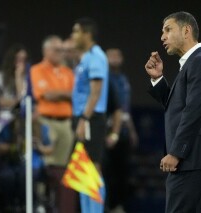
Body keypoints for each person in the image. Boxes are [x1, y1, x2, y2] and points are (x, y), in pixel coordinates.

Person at [145, 11, 201, 213]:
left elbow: (194, 113)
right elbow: (178, 107)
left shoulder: (200, 63)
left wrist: (176, 152)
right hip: (193, 158)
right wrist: (158, 79)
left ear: (186, 30)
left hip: (192, 158)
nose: (162, 36)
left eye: (168, 29)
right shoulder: (194, 62)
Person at [30, 35, 76, 212]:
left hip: (65, 124)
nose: (61, 54)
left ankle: (59, 207)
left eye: (62, 50)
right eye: (57, 50)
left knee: (62, 170)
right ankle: (41, 205)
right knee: (45, 166)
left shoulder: (67, 72)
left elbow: (74, 95)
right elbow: (45, 94)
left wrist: (58, 94)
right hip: (44, 122)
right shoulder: (36, 70)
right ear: (46, 51)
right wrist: (64, 94)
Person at [71, 17, 109, 213]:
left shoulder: (96, 57)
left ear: (87, 34)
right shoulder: (86, 57)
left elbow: (95, 93)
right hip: (83, 118)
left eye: (76, 31)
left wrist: (84, 119)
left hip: (91, 118)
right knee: (82, 169)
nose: (73, 35)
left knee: (92, 168)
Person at [0, 44, 29, 212]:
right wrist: (14, 103)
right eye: (18, 59)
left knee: (22, 171)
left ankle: (18, 204)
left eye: (24, 60)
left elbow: (21, 106)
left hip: (16, 126)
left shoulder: (23, 80)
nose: (21, 63)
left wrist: (19, 78)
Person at [104, 48, 138, 213]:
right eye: (111, 56)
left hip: (123, 133)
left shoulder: (124, 80)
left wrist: (132, 131)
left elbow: (125, 109)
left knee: (123, 173)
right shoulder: (104, 78)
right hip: (109, 132)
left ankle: (118, 205)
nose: (115, 58)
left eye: (118, 55)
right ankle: (109, 206)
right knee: (108, 172)